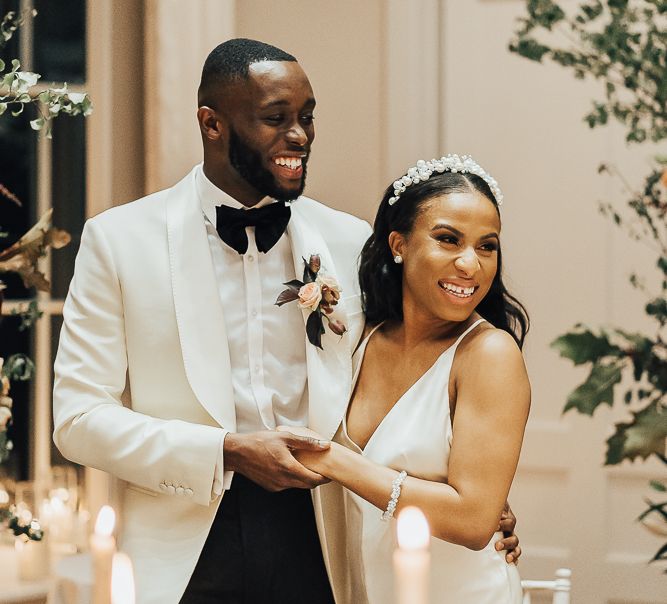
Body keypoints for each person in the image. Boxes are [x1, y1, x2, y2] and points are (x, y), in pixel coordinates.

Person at [52, 38, 520, 604]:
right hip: (183, 545)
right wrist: (224, 450)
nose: (299, 136)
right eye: (276, 119)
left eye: (306, 117)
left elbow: (418, 368)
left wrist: (474, 495)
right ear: (212, 123)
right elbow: (78, 417)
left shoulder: (352, 243)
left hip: (323, 535)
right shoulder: (119, 241)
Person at [283, 155, 530, 603]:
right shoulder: (359, 337)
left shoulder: (489, 354)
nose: (470, 265)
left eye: (487, 245)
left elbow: (475, 522)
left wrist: (334, 461)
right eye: (448, 239)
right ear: (398, 244)